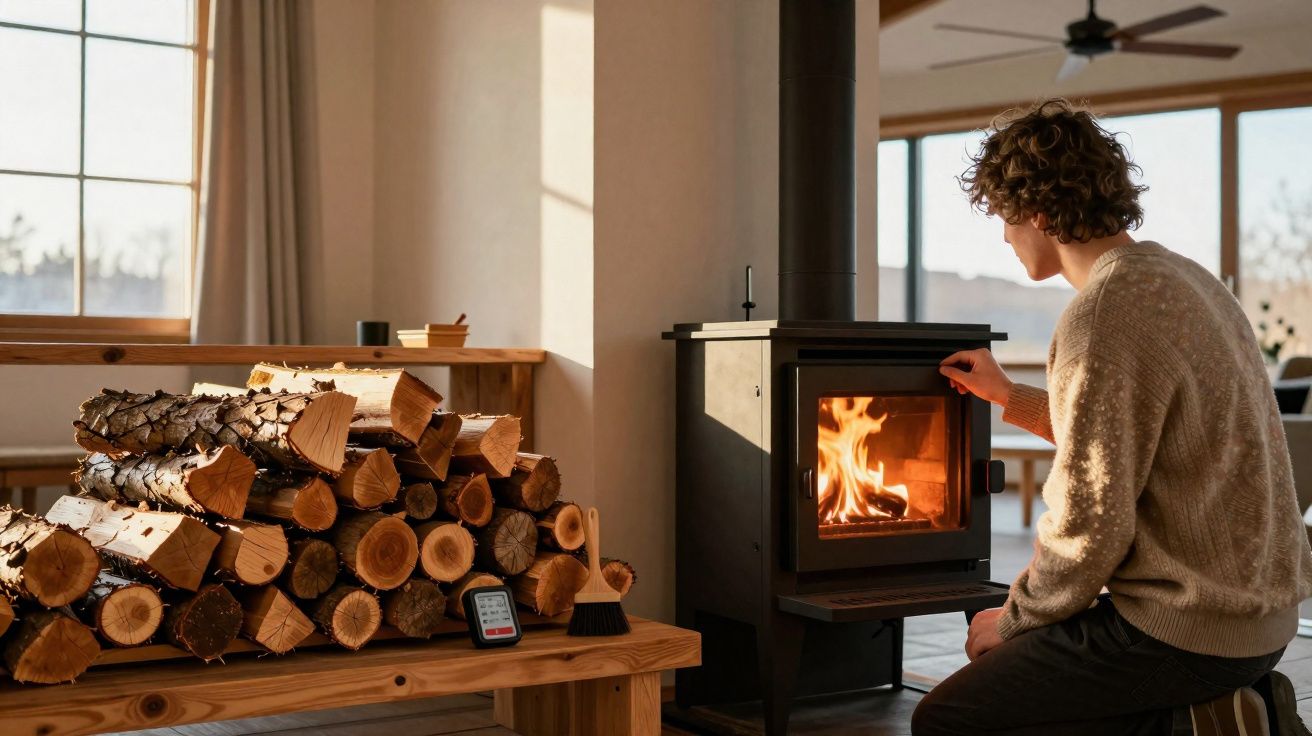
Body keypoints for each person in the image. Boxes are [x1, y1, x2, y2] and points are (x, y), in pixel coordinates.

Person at [910, 98, 1312, 736]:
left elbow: (1089, 521)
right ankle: (1206, 712)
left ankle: (1205, 723)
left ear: (1037, 212)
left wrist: (1015, 620)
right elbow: (1125, 438)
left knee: (948, 718)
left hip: (1189, 632)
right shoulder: (1187, 280)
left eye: (1005, 220)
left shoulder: (1103, 312)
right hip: (1260, 618)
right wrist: (1009, 394)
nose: (1005, 239)